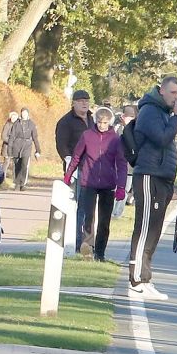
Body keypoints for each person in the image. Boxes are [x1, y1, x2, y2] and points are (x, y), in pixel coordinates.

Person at [127, 76, 177, 300]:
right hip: (148, 175)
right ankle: (135, 278)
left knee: (155, 229)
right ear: (161, 91)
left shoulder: (164, 113)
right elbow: (161, 138)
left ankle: (145, 277)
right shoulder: (150, 111)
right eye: (173, 93)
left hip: (162, 177)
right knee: (144, 227)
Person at [63, 107, 128, 262]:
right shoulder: (87, 136)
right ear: (95, 121)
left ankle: (100, 252)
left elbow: (121, 163)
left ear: (109, 122)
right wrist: (68, 175)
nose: (101, 125)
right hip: (88, 181)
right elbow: (76, 157)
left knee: (104, 221)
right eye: (99, 122)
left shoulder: (115, 139)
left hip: (108, 183)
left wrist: (121, 186)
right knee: (88, 217)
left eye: (105, 123)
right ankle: (88, 247)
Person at [56, 90, 94, 171]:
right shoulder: (65, 121)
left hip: (91, 165)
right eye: (80, 101)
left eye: (87, 101)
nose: (84, 103)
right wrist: (68, 160)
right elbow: (61, 145)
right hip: (75, 166)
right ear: (73, 103)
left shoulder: (92, 119)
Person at [7, 107, 41, 191]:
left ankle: (22, 184)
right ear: (21, 114)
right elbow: (11, 136)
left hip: (27, 146)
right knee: (17, 165)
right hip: (17, 146)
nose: (24, 114)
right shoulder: (16, 124)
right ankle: (17, 183)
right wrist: (9, 149)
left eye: (25, 113)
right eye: (22, 113)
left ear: (28, 114)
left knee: (24, 165)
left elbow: (35, 137)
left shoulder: (32, 124)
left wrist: (38, 150)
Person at [0, 111, 18, 181]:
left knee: (15, 163)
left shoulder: (18, 126)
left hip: (15, 148)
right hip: (7, 147)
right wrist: (11, 141)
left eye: (15, 117)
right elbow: (3, 136)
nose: (14, 119)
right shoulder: (7, 125)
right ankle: (2, 178)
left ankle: (15, 179)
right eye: (13, 117)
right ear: (10, 118)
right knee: (6, 163)